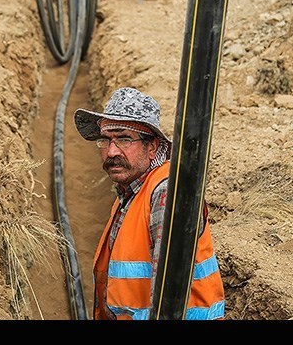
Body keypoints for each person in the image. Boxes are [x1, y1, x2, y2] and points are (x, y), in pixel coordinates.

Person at [74, 87, 225, 320]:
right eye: (106, 140)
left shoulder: (165, 194)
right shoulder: (131, 191)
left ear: (152, 146)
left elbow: (168, 300)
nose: (112, 151)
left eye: (124, 139)